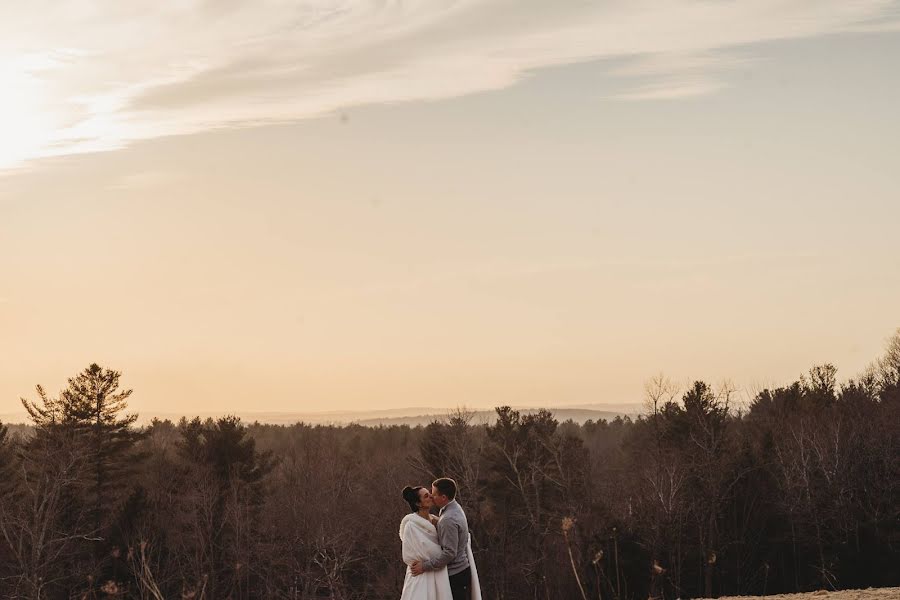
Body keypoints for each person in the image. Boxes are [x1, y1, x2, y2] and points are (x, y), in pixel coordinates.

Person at [410, 478, 481, 600]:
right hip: (461, 573)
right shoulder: (454, 508)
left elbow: (449, 553)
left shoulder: (447, 520)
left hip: (456, 576)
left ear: (443, 497)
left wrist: (424, 566)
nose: (431, 496)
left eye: (434, 493)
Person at [399, 485, 453, 600]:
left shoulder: (436, 521)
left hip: (437, 572)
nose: (431, 496)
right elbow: (420, 553)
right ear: (418, 504)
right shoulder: (411, 525)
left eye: (429, 493)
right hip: (420, 575)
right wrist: (444, 553)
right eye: (426, 496)